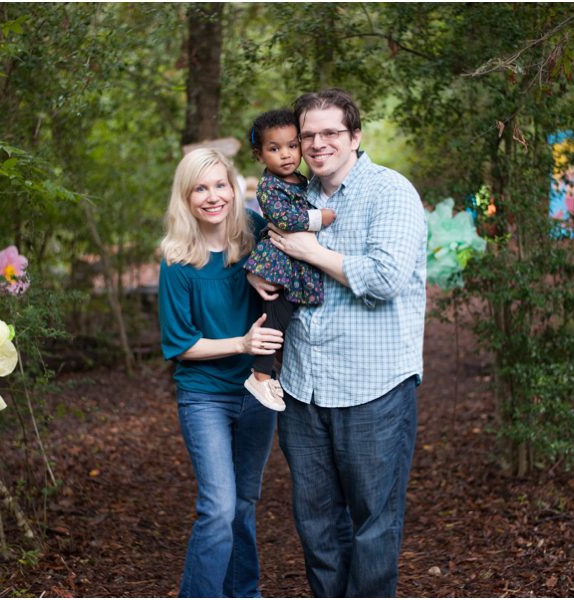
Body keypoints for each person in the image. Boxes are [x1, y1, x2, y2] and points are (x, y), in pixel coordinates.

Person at [248, 88, 427, 597]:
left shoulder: (389, 192)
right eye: (308, 135)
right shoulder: (296, 196)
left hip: (374, 388)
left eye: (330, 133)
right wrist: (256, 275)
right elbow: (270, 249)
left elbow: (387, 277)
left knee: (374, 523)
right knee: (317, 524)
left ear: (355, 136)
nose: (318, 143)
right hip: (303, 390)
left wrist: (314, 251)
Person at [158, 147, 284, 598]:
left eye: (220, 185)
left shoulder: (254, 233)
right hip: (205, 396)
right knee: (218, 507)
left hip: (258, 392)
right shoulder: (177, 259)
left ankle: (243, 593)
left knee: (243, 505)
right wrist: (242, 344)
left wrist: (257, 269)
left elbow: (292, 265)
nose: (213, 196)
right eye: (200, 188)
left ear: (234, 188)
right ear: (186, 197)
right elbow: (180, 344)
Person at [243, 109, 336, 411]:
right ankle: (259, 376)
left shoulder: (301, 179)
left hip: (291, 262)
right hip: (278, 265)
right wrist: (317, 218)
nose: (286, 155)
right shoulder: (269, 186)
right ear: (260, 155)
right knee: (276, 319)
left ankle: (275, 370)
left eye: (292, 146)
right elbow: (282, 218)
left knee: (286, 319)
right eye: (274, 148)